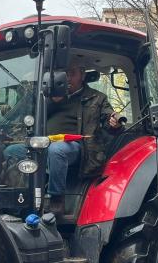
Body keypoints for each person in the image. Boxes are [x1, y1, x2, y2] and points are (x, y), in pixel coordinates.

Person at [42, 61, 121, 216]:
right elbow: (31, 115)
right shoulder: (50, 97)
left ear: (82, 75)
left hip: (78, 146)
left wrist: (114, 123)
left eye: (72, 73)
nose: (67, 78)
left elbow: (108, 118)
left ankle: (56, 199)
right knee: (14, 150)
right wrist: (51, 101)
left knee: (57, 151)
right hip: (43, 142)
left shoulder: (97, 98)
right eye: (64, 74)